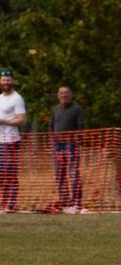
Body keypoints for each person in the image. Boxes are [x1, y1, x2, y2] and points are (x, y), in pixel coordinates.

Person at [0, 70, 26, 213]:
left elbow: (22, 120)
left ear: (12, 81)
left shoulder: (17, 98)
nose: (6, 82)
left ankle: (11, 204)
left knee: (9, 172)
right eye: (4, 80)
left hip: (10, 140)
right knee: (1, 173)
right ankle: (4, 202)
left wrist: (3, 121)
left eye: (8, 80)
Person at [48, 86, 86, 214]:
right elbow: (51, 126)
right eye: (61, 93)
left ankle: (76, 201)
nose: (64, 95)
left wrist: (76, 139)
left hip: (71, 145)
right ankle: (64, 200)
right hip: (58, 145)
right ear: (58, 95)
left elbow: (81, 126)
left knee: (73, 172)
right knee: (60, 173)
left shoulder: (77, 109)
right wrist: (52, 140)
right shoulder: (55, 109)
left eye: (66, 93)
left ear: (71, 94)